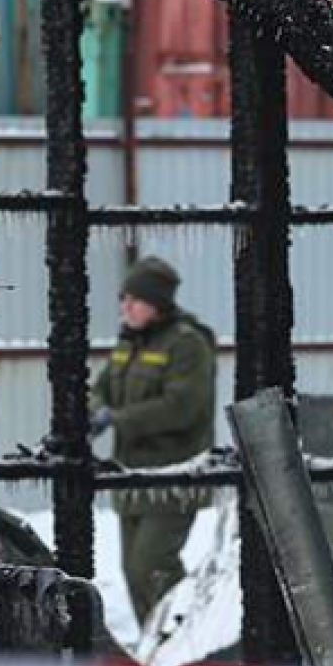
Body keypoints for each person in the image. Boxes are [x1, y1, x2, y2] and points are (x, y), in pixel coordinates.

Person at [88, 255, 216, 628]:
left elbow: (181, 408)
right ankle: (155, 645)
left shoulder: (187, 344)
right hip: (132, 474)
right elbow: (101, 388)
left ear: (156, 304)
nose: (125, 307)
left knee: (153, 564)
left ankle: (189, 637)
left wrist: (119, 418)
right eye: (123, 298)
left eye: (134, 300)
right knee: (133, 571)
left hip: (172, 477)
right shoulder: (129, 342)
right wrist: (96, 410)